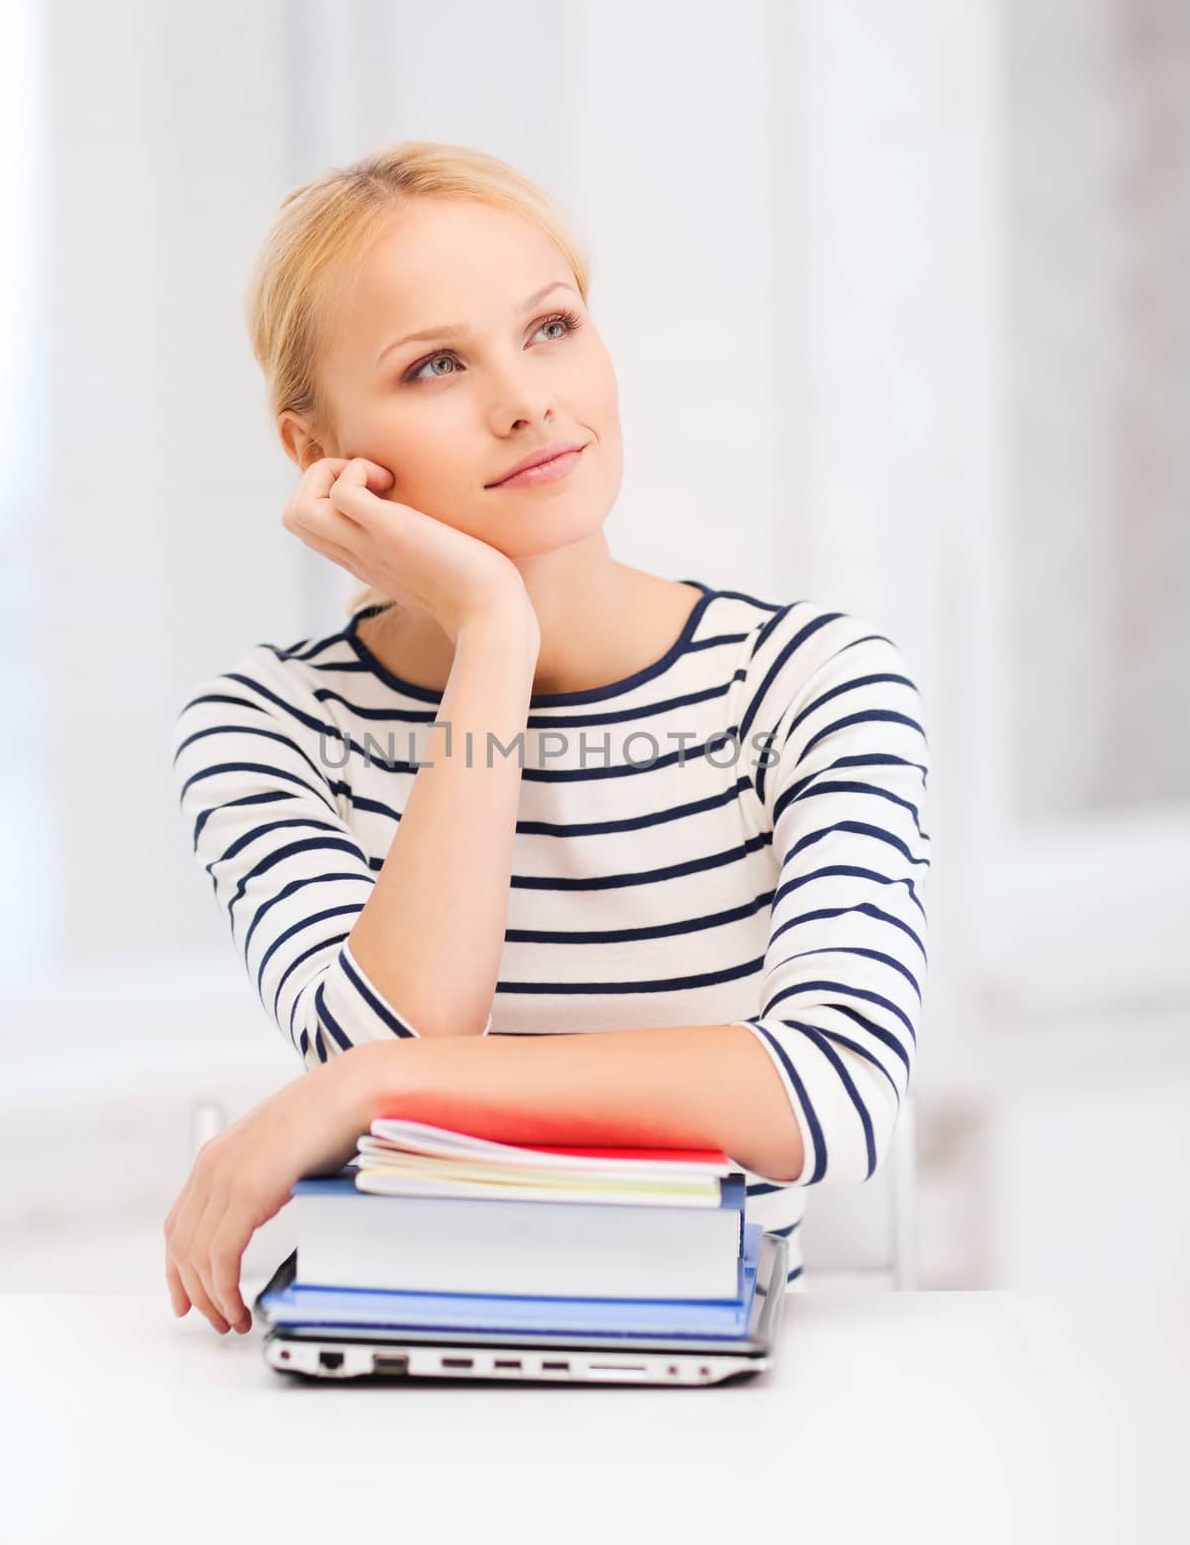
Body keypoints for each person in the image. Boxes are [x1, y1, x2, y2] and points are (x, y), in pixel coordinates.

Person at [164, 141, 932, 1335]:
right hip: (407, 1358)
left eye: (550, 327)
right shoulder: (270, 726)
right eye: (432, 366)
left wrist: (365, 1084)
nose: (524, 398)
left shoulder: (808, 683)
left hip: (736, 1382)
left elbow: (830, 1096)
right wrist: (489, 635)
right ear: (321, 460)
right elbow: (397, 1040)